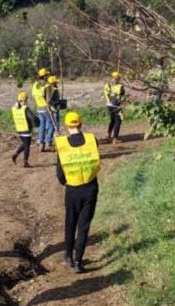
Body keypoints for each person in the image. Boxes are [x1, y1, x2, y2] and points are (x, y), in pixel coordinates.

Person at [55, 111, 100, 273]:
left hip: (72, 190)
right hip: (90, 188)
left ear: (67, 126)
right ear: (80, 124)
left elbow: (60, 175)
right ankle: (78, 262)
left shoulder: (62, 145)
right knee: (83, 227)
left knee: (70, 222)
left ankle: (68, 255)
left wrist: (65, 181)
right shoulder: (92, 140)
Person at [11, 91, 38, 168]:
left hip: (19, 129)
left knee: (25, 144)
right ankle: (25, 162)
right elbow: (32, 118)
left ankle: (15, 154)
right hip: (26, 129)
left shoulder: (14, 108)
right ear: (24, 99)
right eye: (26, 99)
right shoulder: (25, 108)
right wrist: (34, 125)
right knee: (27, 146)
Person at [32, 68, 55, 152]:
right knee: (52, 124)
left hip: (39, 108)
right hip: (46, 108)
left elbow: (34, 96)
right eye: (47, 75)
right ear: (44, 76)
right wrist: (54, 105)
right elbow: (48, 100)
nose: (47, 76)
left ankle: (41, 144)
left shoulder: (35, 85)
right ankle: (48, 142)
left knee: (42, 125)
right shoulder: (47, 86)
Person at [104, 71, 125, 145]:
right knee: (117, 122)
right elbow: (122, 96)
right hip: (117, 106)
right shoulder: (120, 86)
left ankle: (108, 136)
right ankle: (115, 139)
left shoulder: (107, 85)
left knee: (112, 121)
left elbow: (107, 94)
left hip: (109, 106)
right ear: (118, 78)